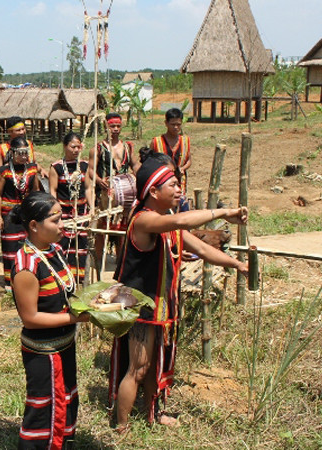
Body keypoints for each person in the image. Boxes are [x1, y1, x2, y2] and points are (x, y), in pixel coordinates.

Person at [110, 152, 248, 430]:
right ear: (153, 190)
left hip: (162, 307)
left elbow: (202, 249)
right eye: (172, 185)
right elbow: (182, 222)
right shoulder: (144, 220)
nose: (178, 190)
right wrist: (224, 212)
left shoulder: (165, 220)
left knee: (154, 366)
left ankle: (152, 414)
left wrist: (235, 263)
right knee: (137, 368)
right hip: (141, 308)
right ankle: (121, 427)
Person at [10, 191, 90, 448]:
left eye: (61, 218)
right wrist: (74, 317)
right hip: (43, 353)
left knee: (65, 400)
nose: (62, 225)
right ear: (34, 226)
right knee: (43, 410)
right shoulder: (26, 266)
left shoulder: (54, 250)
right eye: (55, 220)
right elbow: (30, 318)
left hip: (64, 343)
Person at [89, 112, 137, 270]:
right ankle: (98, 262)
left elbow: (135, 165)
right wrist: (99, 180)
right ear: (106, 127)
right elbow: (90, 170)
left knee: (123, 230)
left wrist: (142, 178)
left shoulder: (128, 147)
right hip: (105, 195)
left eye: (118, 126)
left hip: (124, 195)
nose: (115, 129)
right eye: (112, 126)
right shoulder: (98, 148)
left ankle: (120, 262)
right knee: (102, 230)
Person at [49, 132, 95, 286]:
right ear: (65, 146)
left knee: (81, 247)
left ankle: (79, 279)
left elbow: (88, 189)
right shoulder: (56, 167)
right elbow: (53, 191)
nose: (76, 150)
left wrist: (92, 209)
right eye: (72, 146)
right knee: (63, 246)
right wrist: (56, 215)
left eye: (78, 147)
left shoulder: (84, 166)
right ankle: (63, 278)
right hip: (64, 214)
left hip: (81, 213)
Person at [0, 136, 40, 290]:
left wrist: (37, 211)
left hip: (27, 214)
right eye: (19, 153)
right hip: (9, 215)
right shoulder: (3, 171)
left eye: (25, 153)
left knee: (28, 246)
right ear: (12, 153)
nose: (23, 156)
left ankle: (27, 276)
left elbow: (35, 191)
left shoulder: (32, 169)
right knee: (10, 246)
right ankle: (10, 280)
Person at [150, 108, 191, 195]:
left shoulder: (185, 141)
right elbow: (149, 162)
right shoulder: (157, 142)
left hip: (180, 183)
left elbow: (189, 160)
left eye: (178, 124)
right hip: (162, 183)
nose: (176, 127)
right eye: (173, 124)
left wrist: (182, 169)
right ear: (166, 123)